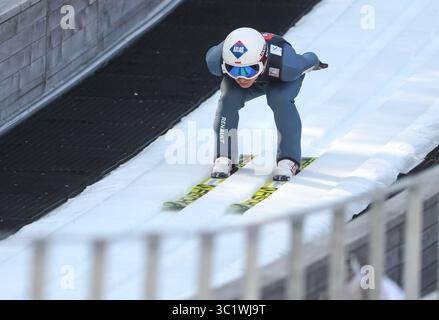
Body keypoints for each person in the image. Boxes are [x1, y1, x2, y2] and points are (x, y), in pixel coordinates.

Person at [205, 27, 328, 181]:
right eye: (234, 70)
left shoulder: (289, 65)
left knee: (279, 99)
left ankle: (288, 159)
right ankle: (224, 155)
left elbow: (308, 59)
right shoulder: (216, 60)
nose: (242, 78)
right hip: (266, 71)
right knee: (228, 99)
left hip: (279, 78)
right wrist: (244, 72)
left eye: (249, 70)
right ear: (225, 64)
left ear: (263, 60)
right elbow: (222, 62)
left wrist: (316, 62)